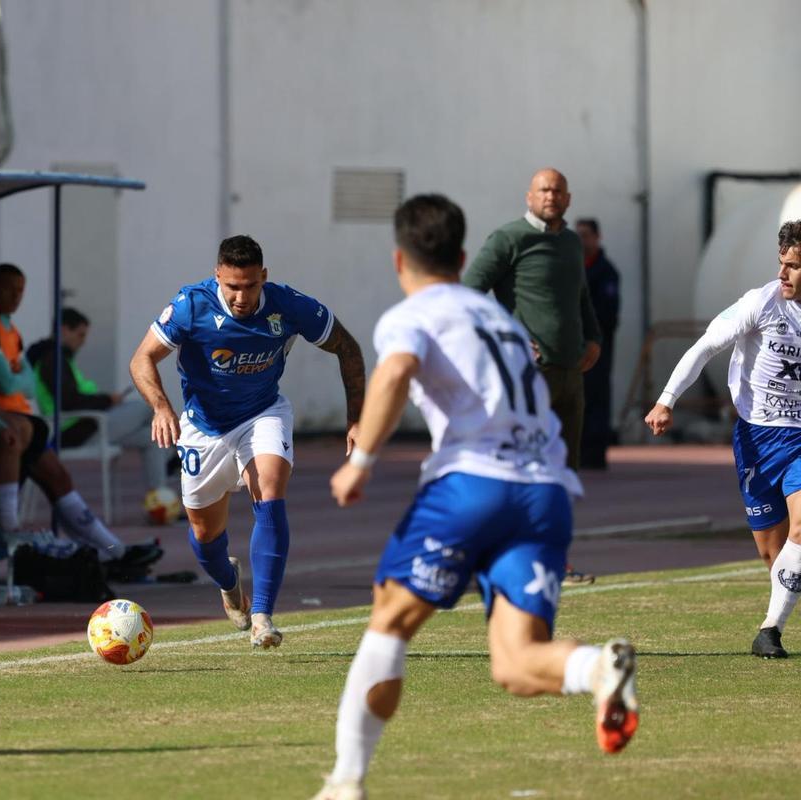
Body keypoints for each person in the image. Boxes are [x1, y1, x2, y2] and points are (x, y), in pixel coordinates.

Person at [311, 195, 638, 800]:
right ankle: (596, 668)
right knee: (516, 663)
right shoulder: (503, 321)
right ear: (463, 257)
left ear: (398, 260)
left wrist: (359, 461)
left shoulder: (412, 314)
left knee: (390, 619)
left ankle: (347, 781)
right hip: (546, 492)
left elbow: (394, 371)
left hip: (473, 484)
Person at [129, 235, 366, 648]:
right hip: (203, 428)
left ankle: (263, 618)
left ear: (264, 277)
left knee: (270, 490)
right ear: (218, 275)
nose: (241, 296)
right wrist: (162, 408)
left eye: (251, 285)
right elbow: (142, 359)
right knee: (205, 537)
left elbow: (348, 347)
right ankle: (228, 581)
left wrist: (356, 419)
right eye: (232, 286)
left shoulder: (289, 306)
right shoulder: (191, 305)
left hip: (263, 412)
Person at [0, 284, 161, 574]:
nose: (17, 296)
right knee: (147, 407)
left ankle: (112, 548)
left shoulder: (3, 334)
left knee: (136, 442)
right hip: (68, 424)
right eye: (11, 289)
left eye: (20, 290)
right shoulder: (41, 352)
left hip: (33, 422)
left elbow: (24, 385)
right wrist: (105, 399)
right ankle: (0, 522)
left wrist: (11, 380)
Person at [645, 220, 801, 659]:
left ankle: (770, 630)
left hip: (800, 439)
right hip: (755, 438)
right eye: (781, 264)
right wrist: (666, 400)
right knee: (775, 558)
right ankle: (774, 618)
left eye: (794, 266)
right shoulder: (761, 303)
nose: (784, 274)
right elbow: (703, 348)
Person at [463, 169, 603, 471]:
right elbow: (468, 294)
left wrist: (594, 338)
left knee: (566, 471)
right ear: (529, 197)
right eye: (543, 191)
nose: (550, 196)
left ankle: (560, 519)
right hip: (529, 374)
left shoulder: (571, 242)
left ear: (567, 199)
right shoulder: (508, 238)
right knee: (525, 466)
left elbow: (582, 296)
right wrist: (505, 337)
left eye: (556, 191)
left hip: (571, 373)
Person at [27, 307, 170, 492]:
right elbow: (68, 401)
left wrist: (107, 401)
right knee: (148, 405)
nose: (83, 342)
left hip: (87, 425)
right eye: (80, 335)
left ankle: (159, 499)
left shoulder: (58, 358)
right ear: (63, 330)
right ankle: (175, 457)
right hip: (76, 430)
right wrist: (107, 400)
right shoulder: (53, 360)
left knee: (151, 438)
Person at [577, 218, 620, 470]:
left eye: (585, 235)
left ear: (596, 237)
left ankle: (594, 455)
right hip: (574, 347)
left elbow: (608, 315)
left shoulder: (606, 272)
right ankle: (578, 450)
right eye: (578, 235)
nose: (581, 240)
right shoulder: (572, 268)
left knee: (596, 397)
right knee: (577, 397)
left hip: (597, 347)